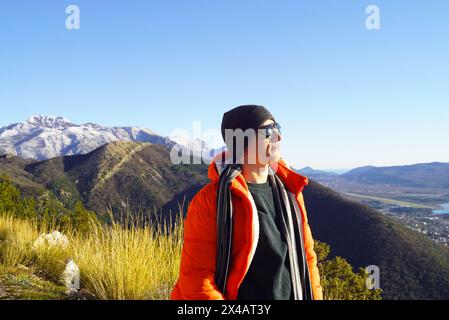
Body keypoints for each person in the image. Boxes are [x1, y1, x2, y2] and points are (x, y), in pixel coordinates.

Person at [171, 105, 322, 300]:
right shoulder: (211, 201)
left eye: (278, 128)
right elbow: (198, 280)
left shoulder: (290, 192)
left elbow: (308, 257)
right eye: (269, 131)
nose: (278, 137)